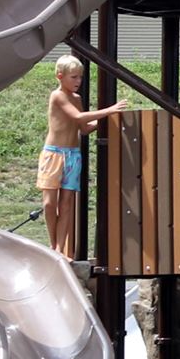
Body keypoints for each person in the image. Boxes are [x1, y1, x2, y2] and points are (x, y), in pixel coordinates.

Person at [40, 54, 124, 254]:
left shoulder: (77, 99)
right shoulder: (57, 96)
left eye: (80, 77)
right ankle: (53, 244)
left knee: (67, 202)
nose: (78, 82)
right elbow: (77, 116)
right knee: (49, 203)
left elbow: (83, 127)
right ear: (60, 76)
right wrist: (109, 110)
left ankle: (60, 248)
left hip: (72, 154)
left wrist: (106, 121)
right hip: (54, 154)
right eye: (73, 77)